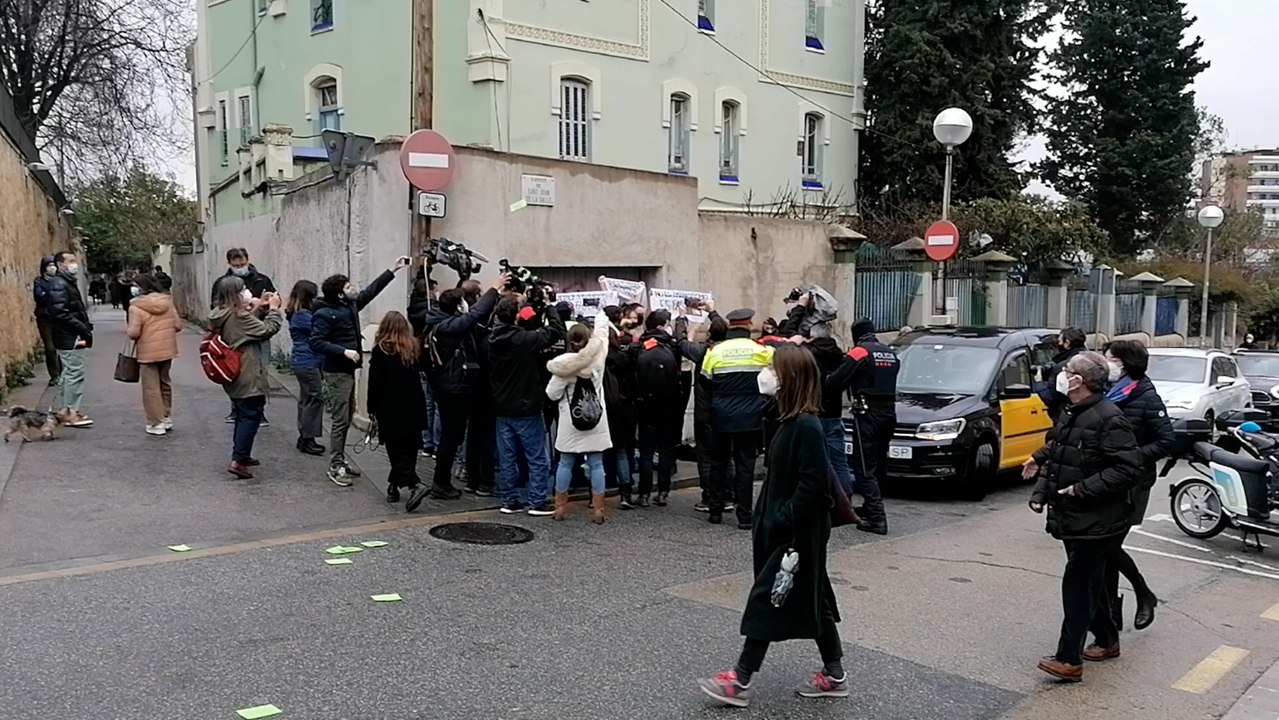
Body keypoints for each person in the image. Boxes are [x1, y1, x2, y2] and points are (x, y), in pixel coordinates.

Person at [697, 345, 847, 709]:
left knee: (769, 596)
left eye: (774, 370)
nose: (766, 375)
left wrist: (783, 519)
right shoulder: (789, 419)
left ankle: (741, 678)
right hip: (791, 528)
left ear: (790, 379)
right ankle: (835, 674)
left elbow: (813, 484)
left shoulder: (807, 426)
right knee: (814, 596)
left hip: (795, 532)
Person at [1025, 351, 1143, 682]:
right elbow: (1062, 446)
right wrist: (1037, 461)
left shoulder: (1109, 418)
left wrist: (1082, 489)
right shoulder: (1074, 411)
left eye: (1070, 370)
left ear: (1082, 381)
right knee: (1088, 584)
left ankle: (1068, 659)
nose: (1063, 373)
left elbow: (1128, 467)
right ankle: (1107, 639)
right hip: (1074, 517)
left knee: (1077, 585)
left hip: (1097, 520)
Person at [310, 257, 411, 486]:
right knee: (340, 419)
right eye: (348, 287)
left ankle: (340, 460)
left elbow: (371, 291)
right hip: (337, 373)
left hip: (347, 371)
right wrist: (343, 351)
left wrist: (392, 269)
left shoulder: (350, 305)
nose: (353, 288)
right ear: (339, 294)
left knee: (346, 417)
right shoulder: (325, 314)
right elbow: (315, 342)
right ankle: (335, 465)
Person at [409, 276, 503, 506]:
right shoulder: (447, 326)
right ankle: (441, 482)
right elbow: (473, 317)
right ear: (459, 306)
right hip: (453, 388)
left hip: (450, 385)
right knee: (451, 437)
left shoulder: (439, 320)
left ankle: (444, 481)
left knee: (454, 435)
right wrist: (494, 289)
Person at [1102, 339, 1174, 630]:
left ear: (1125, 363)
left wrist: (1131, 457)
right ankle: (1113, 613)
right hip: (1106, 479)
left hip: (1133, 482)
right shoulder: (1108, 392)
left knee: (1107, 545)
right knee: (1103, 548)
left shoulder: (1145, 396)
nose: (1105, 362)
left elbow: (1166, 440)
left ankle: (1143, 594)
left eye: (1109, 357)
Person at [487, 292, 566, 516]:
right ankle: (537, 500)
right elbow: (556, 332)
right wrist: (549, 306)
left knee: (507, 457)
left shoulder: (491, 339)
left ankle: (509, 499)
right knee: (537, 456)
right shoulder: (523, 340)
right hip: (526, 405)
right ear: (516, 316)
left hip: (502, 406)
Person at [702, 308, 774, 528]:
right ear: (749, 324)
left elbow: (705, 382)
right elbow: (771, 378)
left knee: (718, 463)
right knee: (746, 466)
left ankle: (715, 511)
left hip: (721, 415)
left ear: (730, 326)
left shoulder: (715, 351)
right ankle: (745, 516)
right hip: (750, 416)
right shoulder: (762, 350)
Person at [827, 318, 898, 535]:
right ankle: (870, 508)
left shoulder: (860, 352)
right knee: (879, 464)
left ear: (856, 333)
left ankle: (877, 519)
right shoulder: (890, 353)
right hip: (889, 413)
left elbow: (836, 381)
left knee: (865, 466)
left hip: (868, 414)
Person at [209, 276, 284, 478]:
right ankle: (239, 460)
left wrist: (260, 307)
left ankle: (241, 453)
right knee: (251, 416)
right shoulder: (238, 317)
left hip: (235, 373)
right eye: (243, 290)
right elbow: (267, 330)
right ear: (235, 295)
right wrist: (275, 310)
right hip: (247, 372)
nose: (247, 292)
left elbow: (248, 326)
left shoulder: (223, 313)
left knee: (243, 415)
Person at [546, 313, 612, 523]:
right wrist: (601, 316)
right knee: (596, 464)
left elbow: (552, 394)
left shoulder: (563, 366)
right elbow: (603, 337)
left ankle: (560, 508)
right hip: (596, 418)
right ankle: (599, 509)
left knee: (565, 463)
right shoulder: (598, 359)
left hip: (570, 420)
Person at [367, 311, 427, 505]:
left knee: (396, 451)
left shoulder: (382, 350)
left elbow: (375, 383)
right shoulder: (413, 347)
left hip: (391, 406)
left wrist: (372, 408)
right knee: (409, 450)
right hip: (414, 404)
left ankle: (415, 485)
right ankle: (393, 486)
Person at [675, 307, 729, 513]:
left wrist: (681, 318)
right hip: (727, 411)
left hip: (706, 411)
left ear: (708, 335)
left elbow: (681, 343)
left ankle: (709, 497)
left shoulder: (704, 351)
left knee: (706, 456)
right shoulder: (732, 349)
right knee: (727, 455)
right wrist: (713, 312)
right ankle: (728, 496)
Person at [629, 309, 684, 508]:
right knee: (666, 450)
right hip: (669, 405)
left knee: (646, 451)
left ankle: (643, 494)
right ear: (662, 326)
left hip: (646, 405)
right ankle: (662, 492)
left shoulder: (639, 346)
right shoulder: (673, 346)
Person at [215, 248, 277, 425]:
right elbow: (218, 306)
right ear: (229, 264)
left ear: (248, 260)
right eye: (236, 265)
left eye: (242, 264)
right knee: (234, 371)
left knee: (260, 371)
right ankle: (237, 409)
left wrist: (262, 306)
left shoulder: (261, 280)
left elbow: (271, 301)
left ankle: (259, 409)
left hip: (257, 331)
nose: (240, 267)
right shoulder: (223, 283)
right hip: (235, 336)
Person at [125, 274, 182, 435]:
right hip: (168, 350)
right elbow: (178, 325)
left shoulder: (135, 307)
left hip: (147, 353)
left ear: (141, 287)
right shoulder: (167, 301)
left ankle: (155, 423)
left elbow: (134, 333)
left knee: (151, 388)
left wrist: (130, 329)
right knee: (165, 382)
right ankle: (166, 416)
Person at [43, 251, 94, 428]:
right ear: (60, 265)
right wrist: (82, 328)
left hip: (69, 336)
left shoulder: (64, 283)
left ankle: (63, 410)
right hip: (70, 337)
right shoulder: (60, 284)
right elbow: (60, 313)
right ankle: (71, 412)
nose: (75, 264)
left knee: (69, 374)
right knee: (74, 374)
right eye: (70, 261)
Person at [287, 280, 326, 456]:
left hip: (303, 361)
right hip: (308, 361)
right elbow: (321, 330)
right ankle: (308, 438)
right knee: (314, 398)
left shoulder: (296, 313)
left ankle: (304, 437)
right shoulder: (302, 316)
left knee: (306, 399)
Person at [407, 277, 440, 458]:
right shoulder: (430, 310)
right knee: (434, 403)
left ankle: (427, 443)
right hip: (429, 360)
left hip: (420, 359)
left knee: (427, 402)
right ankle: (434, 443)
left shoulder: (414, 307)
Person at [1039, 326, 1088, 422]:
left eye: (1060, 341)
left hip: (1066, 416)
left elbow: (1050, 398)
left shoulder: (1063, 367)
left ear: (1067, 343)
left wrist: (1039, 383)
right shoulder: (1092, 360)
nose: (1058, 344)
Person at [33, 255, 63, 387]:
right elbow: (39, 296)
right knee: (50, 348)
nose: (52, 268)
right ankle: (54, 375)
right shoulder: (39, 281)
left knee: (60, 346)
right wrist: (52, 295)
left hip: (58, 317)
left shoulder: (59, 281)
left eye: (53, 265)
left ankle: (62, 372)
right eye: (49, 265)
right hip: (44, 318)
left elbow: (61, 297)